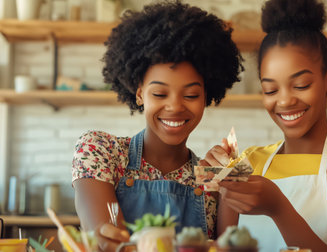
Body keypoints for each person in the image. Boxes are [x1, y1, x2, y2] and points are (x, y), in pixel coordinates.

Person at [202, 0, 327, 251]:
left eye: (301, 85)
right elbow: (223, 247)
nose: (284, 100)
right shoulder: (248, 161)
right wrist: (212, 179)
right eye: (270, 89)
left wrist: (279, 208)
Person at [72, 1, 243, 251]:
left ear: (207, 97)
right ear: (140, 94)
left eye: (191, 95)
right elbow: (108, 242)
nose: (174, 107)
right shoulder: (99, 151)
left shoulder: (211, 178)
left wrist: (232, 181)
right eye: (160, 94)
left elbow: (232, 247)